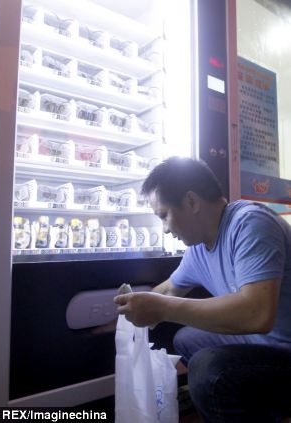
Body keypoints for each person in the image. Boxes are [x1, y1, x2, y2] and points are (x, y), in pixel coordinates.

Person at [114, 156, 291, 422]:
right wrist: (125, 310)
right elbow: (171, 290)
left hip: (285, 348)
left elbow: (257, 314)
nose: (164, 229)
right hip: (264, 344)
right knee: (188, 339)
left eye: (164, 216)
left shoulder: (251, 224)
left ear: (192, 202)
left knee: (207, 370)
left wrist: (161, 309)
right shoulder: (199, 248)